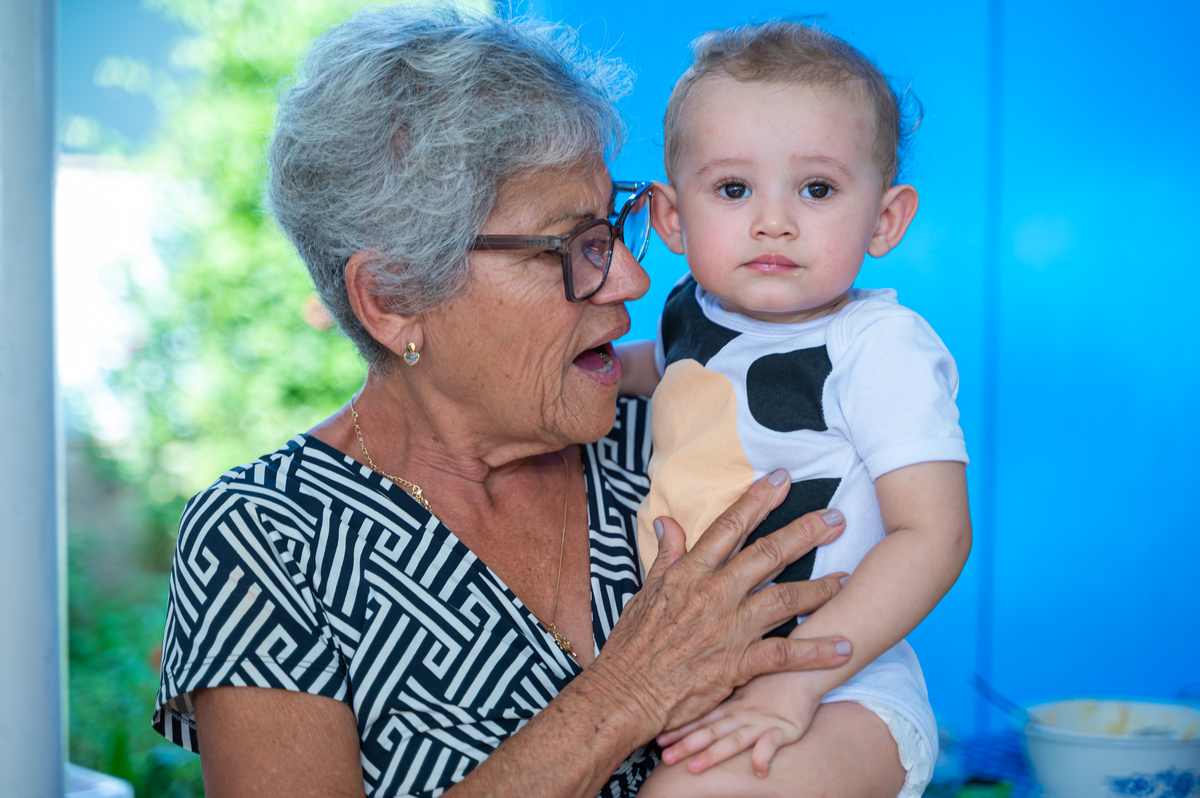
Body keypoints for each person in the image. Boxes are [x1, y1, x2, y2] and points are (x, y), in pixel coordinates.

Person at [150, 8, 857, 798]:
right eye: (572, 246)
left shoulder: (674, 441)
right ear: (393, 297)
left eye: (612, 228)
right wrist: (626, 695)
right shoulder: (268, 539)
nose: (630, 281)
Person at [616, 21, 972, 798]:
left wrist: (796, 682)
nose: (773, 221)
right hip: (716, 676)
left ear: (885, 220)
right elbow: (665, 373)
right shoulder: (690, 311)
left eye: (816, 189)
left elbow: (935, 534)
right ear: (672, 219)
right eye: (733, 189)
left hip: (843, 685)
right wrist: (602, 372)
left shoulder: (878, 346)